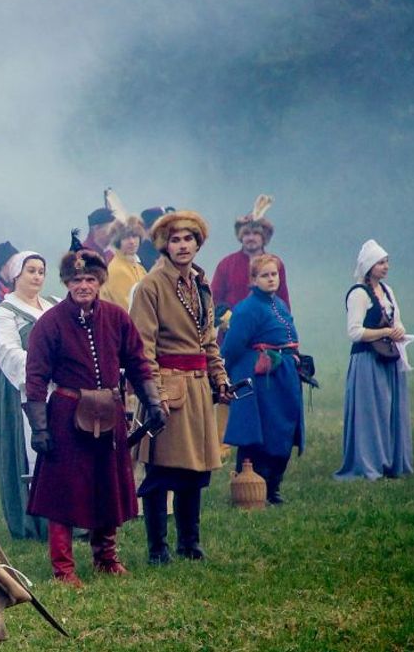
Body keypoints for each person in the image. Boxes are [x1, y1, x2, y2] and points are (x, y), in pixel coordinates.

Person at [24, 251, 162, 586]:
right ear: (67, 283)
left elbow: (138, 362)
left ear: (100, 282)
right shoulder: (50, 323)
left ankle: (106, 558)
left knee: (107, 485)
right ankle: (63, 568)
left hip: (110, 411)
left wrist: (153, 401)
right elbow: (36, 376)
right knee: (63, 493)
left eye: (89, 280)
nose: (83, 286)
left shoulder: (116, 317)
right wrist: (40, 427)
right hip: (66, 414)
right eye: (76, 280)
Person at [130, 211, 231, 564]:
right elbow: (142, 346)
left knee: (195, 469)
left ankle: (190, 542)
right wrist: (153, 394)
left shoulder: (201, 284)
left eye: (189, 238)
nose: (183, 245)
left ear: (198, 243)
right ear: (164, 245)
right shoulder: (151, 286)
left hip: (199, 389)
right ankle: (158, 548)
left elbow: (209, 341)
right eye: (175, 239)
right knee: (160, 472)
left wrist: (220, 378)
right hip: (168, 390)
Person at [221, 255, 305, 504]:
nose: (271, 279)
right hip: (259, 378)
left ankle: (273, 486)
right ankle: (253, 487)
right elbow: (232, 347)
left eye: (274, 274)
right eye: (265, 275)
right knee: (261, 430)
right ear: (253, 279)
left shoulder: (280, 304)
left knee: (284, 429)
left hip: (284, 375)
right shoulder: (247, 309)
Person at [0, 251, 53, 541]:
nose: (37, 276)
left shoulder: (55, 306)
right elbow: (9, 353)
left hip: (60, 388)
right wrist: (44, 371)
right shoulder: (4, 313)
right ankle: (33, 522)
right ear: (16, 275)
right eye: (31, 271)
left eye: (41, 271)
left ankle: (68, 518)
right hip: (20, 393)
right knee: (29, 453)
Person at [335, 240, 413, 481]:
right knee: (371, 412)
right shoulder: (358, 294)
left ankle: (392, 461)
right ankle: (370, 463)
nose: (386, 266)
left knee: (390, 410)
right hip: (367, 360)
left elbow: (395, 320)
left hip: (388, 359)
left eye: (386, 261)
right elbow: (355, 332)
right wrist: (386, 333)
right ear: (369, 266)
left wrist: (397, 330)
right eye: (380, 262)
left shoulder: (387, 291)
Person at [210, 195, 291, 343]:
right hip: (231, 335)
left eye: (256, 234)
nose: (251, 238)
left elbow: (283, 300)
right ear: (241, 237)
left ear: (264, 237)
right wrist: (226, 321)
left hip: (266, 335)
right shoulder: (226, 264)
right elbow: (213, 299)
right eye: (246, 234)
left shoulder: (276, 264)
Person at [101, 216, 148, 310]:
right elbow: (127, 308)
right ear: (118, 242)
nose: (132, 241)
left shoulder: (139, 267)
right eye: (126, 238)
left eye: (135, 236)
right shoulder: (117, 269)